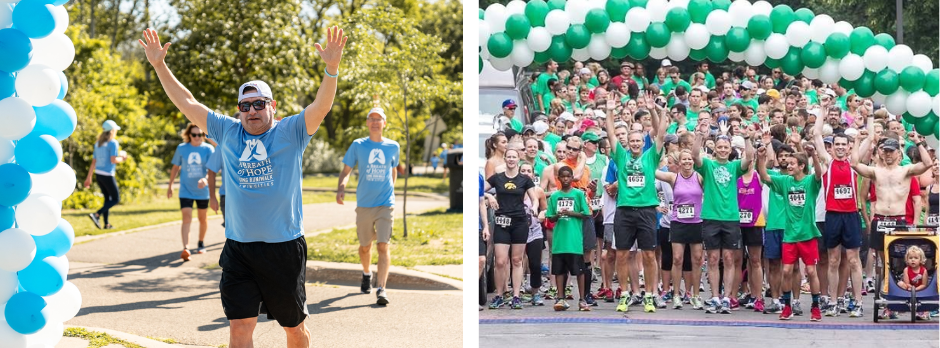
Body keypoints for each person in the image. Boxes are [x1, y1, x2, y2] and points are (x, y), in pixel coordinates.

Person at [139, 26, 346, 347]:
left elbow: (321, 107)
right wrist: (158, 65)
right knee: (239, 328)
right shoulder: (227, 131)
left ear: (272, 105)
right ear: (238, 109)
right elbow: (187, 102)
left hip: (284, 249)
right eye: (245, 105)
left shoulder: (291, 131)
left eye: (259, 104)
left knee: (293, 328)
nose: (252, 111)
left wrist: (331, 70)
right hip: (239, 249)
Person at [604, 92, 669, 313]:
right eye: (631, 141)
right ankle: (624, 293)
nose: (634, 144)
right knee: (622, 254)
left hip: (646, 210)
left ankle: (650, 294)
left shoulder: (651, 156)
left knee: (649, 254)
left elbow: (661, 133)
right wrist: (610, 110)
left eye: (638, 141)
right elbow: (611, 133)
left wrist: (653, 110)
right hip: (624, 211)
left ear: (643, 142)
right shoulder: (620, 156)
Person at [337, 108, 400, 305]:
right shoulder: (358, 145)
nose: (375, 122)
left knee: (383, 245)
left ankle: (381, 288)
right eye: (371, 119)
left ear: (384, 123)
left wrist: (390, 191)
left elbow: (394, 171)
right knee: (365, 247)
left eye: (378, 119)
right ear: (367, 123)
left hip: (385, 204)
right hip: (364, 204)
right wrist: (341, 187)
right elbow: (346, 170)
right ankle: (366, 273)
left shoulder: (393, 146)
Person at [691, 120, 755, 314]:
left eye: (726, 147)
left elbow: (749, 157)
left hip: (730, 218)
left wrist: (745, 137)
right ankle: (715, 297)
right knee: (712, 258)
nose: (722, 150)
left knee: (728, 258)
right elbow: (695, 155)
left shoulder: (735, 166)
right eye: (719, 146)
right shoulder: (708, 165)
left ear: (730, 149)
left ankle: (727, 297)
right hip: (711, 216)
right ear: (715, 149)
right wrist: (701, 135)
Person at [757, 144, 824, 322]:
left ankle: (815, 307)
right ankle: (787, 307)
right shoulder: (784, 181)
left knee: (811, 271)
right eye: (788, 163)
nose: (788, 165)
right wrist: (760, 157)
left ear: (801, 166)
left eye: (793, 163)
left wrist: (814, 155)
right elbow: (764, 176)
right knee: (786, 270)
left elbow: (818, 174)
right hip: (790, 235)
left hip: (808, 234)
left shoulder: (810, 182)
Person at [810, 115, 865, 318]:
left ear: (849, 147)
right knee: (833, 260)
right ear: (831, 148)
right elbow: (816, 134)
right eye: (837, 144)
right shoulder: (827, 163)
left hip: (851, 216)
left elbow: (870, 140)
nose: (840, 147)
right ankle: (833, 301)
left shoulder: (854, 163)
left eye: (844, 144)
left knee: (853, 260)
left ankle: (858, 302)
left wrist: (865, 124)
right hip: (832, 216)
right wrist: (822, 110)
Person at [485, 148, 540, 310]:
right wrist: (489, 196)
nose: (511, 159)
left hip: (519, 222)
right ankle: (499, 295)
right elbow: (479, 189)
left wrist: (535, 208)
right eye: (508, 157)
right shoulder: (497, 178)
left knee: (517, 260)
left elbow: (534, 198)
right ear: (505, 159)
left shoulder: (525, 180)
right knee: (500, 261)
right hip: (502, 222)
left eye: (513, 157)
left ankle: (516, 295)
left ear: (518, 159)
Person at [546, 166, 592, 311]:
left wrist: (572, 213)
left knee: (579, 271)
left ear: (572, 178)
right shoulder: (554, 196)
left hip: (574, 241)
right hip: (560, 241)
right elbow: (550, 218)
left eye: (568, 176)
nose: (565, 179)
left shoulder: (578, 194)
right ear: (558, 178)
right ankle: (561, 298)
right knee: (559, 271)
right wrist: (557, 215)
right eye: (562, 176)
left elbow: (585, 214)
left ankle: (582, 299)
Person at [168, 123, 216, 260]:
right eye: (194, 134)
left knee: (202, 218)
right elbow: (175, 168)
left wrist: (205, 180)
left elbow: (212, 170)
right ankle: (186, 248)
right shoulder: (182, 148)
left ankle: (201, 243)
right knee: (186, 217)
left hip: (202, 191)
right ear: (189, 135)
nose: (197, 137)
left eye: (200, 134)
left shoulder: (208, 149)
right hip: (185, 190)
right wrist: (170, 185)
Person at [84, 120, 128, 229]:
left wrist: (88, 177)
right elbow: (113, 160)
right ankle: (96, 214)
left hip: (99, 175)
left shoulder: (97, 144)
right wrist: (122, 159)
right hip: (108, 175)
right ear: (112, 131)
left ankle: (107, 224)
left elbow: (93, 162)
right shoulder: (113, 143)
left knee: (107, 199)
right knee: (116, 199)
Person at [898, 245, 931, 320]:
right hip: (908, 288)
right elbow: (906, 283)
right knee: (900, 283)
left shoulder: (923, 270)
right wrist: (911, 288)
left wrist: (915, 289)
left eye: (916, 258)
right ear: (907, 259)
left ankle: (925, 312)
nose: (913, 260)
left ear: (920, 260)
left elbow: (924, 284)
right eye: (910, 258)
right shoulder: (906, 270)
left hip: (921, 289)